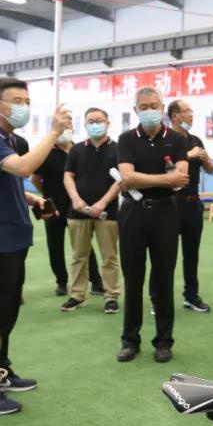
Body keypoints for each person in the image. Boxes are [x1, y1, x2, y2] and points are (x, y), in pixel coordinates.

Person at [0, 77, 71, 415]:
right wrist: (54, 133)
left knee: (7, 312)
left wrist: (32, 199)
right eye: (17, 101)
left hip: (12, 238)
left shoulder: (6, 138)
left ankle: (1, 370)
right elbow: (24, 167)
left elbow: (8, 181)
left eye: (26, 100)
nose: (23, 106)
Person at [115, 87, 188, 362]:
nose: (149, 110)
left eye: (154, 105)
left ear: (162, 107)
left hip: (165, 212)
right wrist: (165, 180)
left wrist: (141, 178)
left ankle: (164, 341)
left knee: (163, 278)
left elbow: (182, 178)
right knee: (133, 279)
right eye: (144, 106)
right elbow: (127, 177)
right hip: (132, 213)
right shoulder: (126, 139)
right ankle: (130, 340)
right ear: (136, 110)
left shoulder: (177, 140)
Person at [61, 108, 122, 314]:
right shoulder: (76, 150)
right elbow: (68, 176)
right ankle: (77, 296)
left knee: (109, 257)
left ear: (107, 123)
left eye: (99, 120)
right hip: (78, 213)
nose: (95, 124)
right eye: (91, 121)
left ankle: (111, 296)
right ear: (85, 124)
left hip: (108, 213)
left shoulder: (118, 149)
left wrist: (102, 203)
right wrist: (76, 199)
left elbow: (120, 180)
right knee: (79, 256)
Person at [32, 130, 104, 299]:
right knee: (55, 245)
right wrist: (47, 195)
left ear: (73, 129)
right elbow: (35, 179)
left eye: (67, 127)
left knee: (84, 244)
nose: (64, 131)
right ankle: (61, 282)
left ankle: (96, 281)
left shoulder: (80, 150)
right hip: (53, 206)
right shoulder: (46, 152)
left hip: (77, 205)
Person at [167, 99, 213, 313]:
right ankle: (160, 299)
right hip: (171, 203)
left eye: (191, 111)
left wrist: (204, 158)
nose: (191, 115)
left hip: (193, 203)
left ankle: (191, 296)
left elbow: (211, 169)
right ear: (175, 116)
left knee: (191, 254)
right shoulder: (165, 139)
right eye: (187, 111)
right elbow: (162, 165)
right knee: (165, 254)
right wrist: (189, 155)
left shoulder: (195, 140)